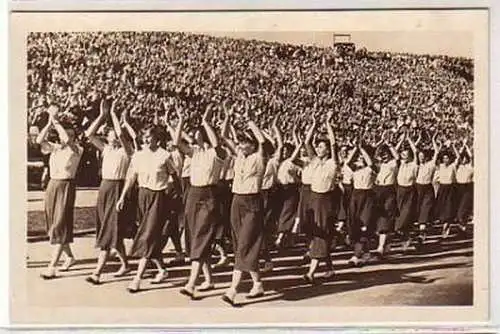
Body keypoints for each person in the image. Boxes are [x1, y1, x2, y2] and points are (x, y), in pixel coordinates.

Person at [116, 126, 178, 292]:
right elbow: (132, 177)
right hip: (142, 196)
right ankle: (162, 270)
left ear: (157, 139)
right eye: (144, 136)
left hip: (158, 198)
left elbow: (174, 176)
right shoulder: (138, 155)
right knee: (149, 235)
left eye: (149, 137)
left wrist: (173, 196)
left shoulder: (165, 155)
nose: (146, 139)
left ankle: (137, 278)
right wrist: (122, 197)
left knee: (148, 235)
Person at [175, 105, 226, 299]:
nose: (194, 137)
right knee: (195, 236)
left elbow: (216, 144)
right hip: (193, 195)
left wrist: (206, 120)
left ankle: (191, 283)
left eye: (198, 134)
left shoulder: (216, 154)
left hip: (209, 195)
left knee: (202, 236)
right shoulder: (194, 153)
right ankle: (209, 280)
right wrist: (180, 120)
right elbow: (177, 142)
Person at [85, 99, 133, 285]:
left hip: (117, 188)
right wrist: (102, 115)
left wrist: (113, 115)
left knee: (109, 229)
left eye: (113, 133)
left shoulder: (126, 151)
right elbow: (89, 134)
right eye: (109, 134)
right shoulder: (106, 149)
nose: (111, 136)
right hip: (104, 188)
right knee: (112, 228)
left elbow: (122, 135)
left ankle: (97, 272)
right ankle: (126, 264)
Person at [221, 118, 267, 306]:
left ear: (252, 145)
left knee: (245, 244)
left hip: (252, 203)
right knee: (241, 244)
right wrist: (227, 117)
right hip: (237, 201)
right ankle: (258, 284)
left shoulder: (259, 157)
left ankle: (233, 289)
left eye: (244, 143)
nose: (240, 146)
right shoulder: (239, 156)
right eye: (240, 143)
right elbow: (224, 136)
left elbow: (262, 141)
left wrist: (250, 121)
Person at [37, 105, 83, 279]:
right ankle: (70, 257)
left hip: (65, 186)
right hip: (52, 186)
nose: (67, 138)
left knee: (60, 223)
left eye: (72, 136)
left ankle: (52, 266)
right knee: (52, 225)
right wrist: (50, 122)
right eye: (67, 135)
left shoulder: (77, 150)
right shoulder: (55, 148)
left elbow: (66, 138)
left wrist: (56, 121)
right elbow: (39, 140)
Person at [303, 111, 338, 284]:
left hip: (325, 201)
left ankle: (311, 272)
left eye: (322, 146)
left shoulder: (332, 163)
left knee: (321, 234)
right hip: (313, 198)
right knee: (316, 232)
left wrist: (329, 124)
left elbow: (334, 144)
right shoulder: (315, 161)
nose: (319, 148)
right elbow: (307, 142)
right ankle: (330, 268)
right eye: (318, 146)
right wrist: (314, 123)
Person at [346, 140, 376, 267]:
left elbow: (370, 163)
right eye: (359, 157)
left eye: (362, 157)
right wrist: (355, 149)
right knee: (355, 225)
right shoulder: (356, 168)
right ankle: (366, 252)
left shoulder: (372, 168)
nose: (360, 159)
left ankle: (356, 255)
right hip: (355, 196)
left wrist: (362, 149)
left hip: (367, 197)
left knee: (365, 225)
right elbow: (347, 163)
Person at [372, 134, 401, 259]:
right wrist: (381, 141)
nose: (383, 156)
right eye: (382, 155)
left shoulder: (393, 164)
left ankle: (380, 247)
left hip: (389, 191)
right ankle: (385, 244)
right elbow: (373, 156)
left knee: (386, 218)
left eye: (386, 154)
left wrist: (389, 144)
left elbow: (397, 156)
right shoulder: (379, 165)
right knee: (378, 218)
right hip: (378, 191)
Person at [415, 132, 440, 246]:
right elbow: (414, 149)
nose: (420, 158)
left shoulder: (431, 164)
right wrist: (417, 138)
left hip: (427, 189)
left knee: (425, 210)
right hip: (417, 189)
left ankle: (421, 234)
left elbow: (436, 152)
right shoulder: (416, 165)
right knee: (417, 210)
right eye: (419, 156)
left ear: (426, 156)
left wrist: (434, 140)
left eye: (422, 156)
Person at [395, 133, 419, 251]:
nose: (404, 157)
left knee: (406, 215)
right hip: (399, 191)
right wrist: (401, 139)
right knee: (399, 216)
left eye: (406, 155)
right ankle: (406, 239)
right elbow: (395, 150)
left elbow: (416, 151)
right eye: (403, 155)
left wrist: (409, 139)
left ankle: (408, 237)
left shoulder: (414, 165)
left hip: (410, 191)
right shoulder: (399, 164)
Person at [435, 142, 460, 239]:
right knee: (442, 207)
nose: (446, 160)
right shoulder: (440, 166)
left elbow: (458, 156)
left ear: (450, 159)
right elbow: (436, 156)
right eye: (444, 158)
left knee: (449, 207)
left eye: (447, 158)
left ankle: (446, 225)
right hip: (442, 188)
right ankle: (444, 223)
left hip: (451, 189)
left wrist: (453, 146)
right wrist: (440, 146)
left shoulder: (453, 166)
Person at [455, 139, 473, 236]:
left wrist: (466, 146)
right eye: (463, 158)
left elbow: (471, 156)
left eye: (465, 158)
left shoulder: (470, 166)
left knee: (464, 207)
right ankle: (462, 226)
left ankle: (463, 226)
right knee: (459, 208)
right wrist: (463, 146)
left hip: (468, 188)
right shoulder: (458, 166)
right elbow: (458, 155)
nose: (464, 160)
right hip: (458, 188)